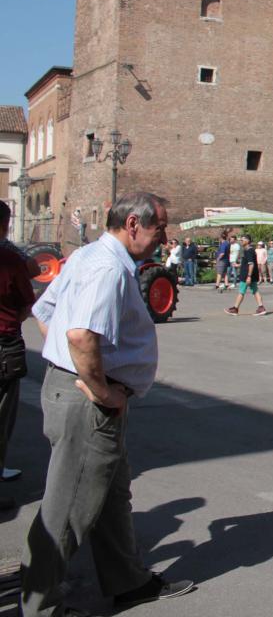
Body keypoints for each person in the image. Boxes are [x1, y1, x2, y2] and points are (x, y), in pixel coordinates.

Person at [21, 192, 194, 615]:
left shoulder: (88, 256)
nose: (164, 237)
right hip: (90, 399)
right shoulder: (106, 268)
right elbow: (80, 335)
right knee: (68, 509)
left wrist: (68, 365)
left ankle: (128, 580)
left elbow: (45, 309)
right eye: (160, 227)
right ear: (133, 224)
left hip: (78, 389)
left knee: (112, 495)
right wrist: (98, 387)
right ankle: (40, 607)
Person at [0, 201, 35, 501]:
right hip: (3, 342)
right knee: (2, 415)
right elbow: (27, 302)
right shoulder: (10, 259)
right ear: (6, 224)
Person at [226, 233, 266, 316]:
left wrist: (249, 276)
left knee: (241, 291)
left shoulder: (249, 251)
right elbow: (247, 263)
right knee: (255, 291)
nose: (241, 241)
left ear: (247, 241)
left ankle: (235, 309)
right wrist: (238, 265)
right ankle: (261, 307)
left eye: (243, 239)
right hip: (250, 274)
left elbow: (251, 264)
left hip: (247, 275)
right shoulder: (248, 250)